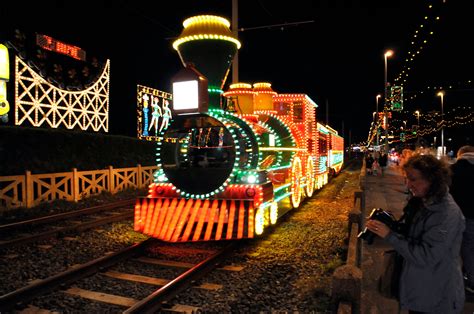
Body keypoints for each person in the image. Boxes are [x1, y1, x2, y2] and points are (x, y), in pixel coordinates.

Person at [366, 154, 466, 313]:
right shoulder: (423, 202)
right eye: (407, 178)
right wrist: (389, 225)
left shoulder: (446, 214)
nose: (408, 184)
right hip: (422, 290)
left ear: (432, 179)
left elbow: (425, 256)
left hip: (437, 297)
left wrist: (389, 235)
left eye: (413, 179)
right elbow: (413, 235)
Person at [450, 145, 474, 294]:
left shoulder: (453, 170)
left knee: (461, 249)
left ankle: (470, 281)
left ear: (460, 155)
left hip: (459, 216)